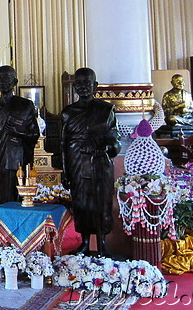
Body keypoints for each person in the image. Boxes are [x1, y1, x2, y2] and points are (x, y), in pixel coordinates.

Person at [61, 67, 120, 256]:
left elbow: (114, 137)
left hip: (99, 163)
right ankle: (85, 242)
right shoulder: (68, 113)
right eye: (79, 84)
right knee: (81, 204)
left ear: (95, 86)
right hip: (77, 162)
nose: (83, 87)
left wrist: (111, 146)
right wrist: (65, 171)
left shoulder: (106, 109)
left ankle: (102, 243)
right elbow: (63, 144)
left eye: (87, 83)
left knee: (101, 204)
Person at [0, 65, 40, 205]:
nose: (3, 82)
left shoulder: (25, 105)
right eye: (0, 79)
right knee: (1, 194)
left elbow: (34, 134)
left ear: (14, 82)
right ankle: (1, 224)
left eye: (6, 79)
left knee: (18, 194)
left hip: (18, 157)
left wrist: (19, 133)